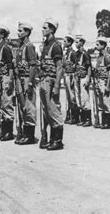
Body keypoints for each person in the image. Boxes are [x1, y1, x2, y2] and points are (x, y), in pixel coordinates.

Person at [37, 18, 64, 150]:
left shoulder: (56, 46)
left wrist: (57, 87)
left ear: (52, 29)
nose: (43, 30)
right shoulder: (46, 45)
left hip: (51, 80)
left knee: (53, 109)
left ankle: (57, 140)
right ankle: (51, 138)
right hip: (43, 80)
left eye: (45, 28)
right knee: (46, 110)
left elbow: (60, 67)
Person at [15, 21, 38, 145]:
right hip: (19, 79)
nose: (18, 33)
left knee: (29, 107)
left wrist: (30, 83)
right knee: (21, 106)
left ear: (27, 32)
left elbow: (33, 66)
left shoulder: (29, 46)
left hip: (26, 79)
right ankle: (24, 133)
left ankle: (29, 135)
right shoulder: (20, 47)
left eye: (21, 31)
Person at [0, 25, 15, 141]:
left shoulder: (6, 48)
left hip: (5, 77)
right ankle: (3, 130)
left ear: (2, 35)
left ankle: (9, 132)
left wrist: (10, 81)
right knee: (1, 104)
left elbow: (10, 65)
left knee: (7, 103)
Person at [93, 37, 110, 129]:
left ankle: (108, 123)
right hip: (99, 81)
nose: (96, 46)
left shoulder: (107, 57)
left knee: (106, 101)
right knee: (100, 102)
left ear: (103, 45)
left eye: (98, 44)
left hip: (105, 81)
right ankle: (102, 121)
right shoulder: (100, 56)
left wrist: (108, 85)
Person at [74, 35, 92, 127]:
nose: (76, 44)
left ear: (82, 43)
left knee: (84, 97)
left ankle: (88, 119)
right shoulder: (76, 54)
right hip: (77, 76)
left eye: (77, 42)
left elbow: (89, 67)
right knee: (78, 98)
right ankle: (83, 118)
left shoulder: (85, 54)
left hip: (84, 77)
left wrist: (88, 78)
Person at [61, 35, 77, 124]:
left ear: (70, 42)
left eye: (65, 41)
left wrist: (72, 77)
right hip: (66, 74)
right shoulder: (66, 53)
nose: (64, 43)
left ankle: (74, 117)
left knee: (72, 96)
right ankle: (70, 115)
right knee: (68, 97)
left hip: (71, 75)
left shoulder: (72, 53)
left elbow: (76, 65)